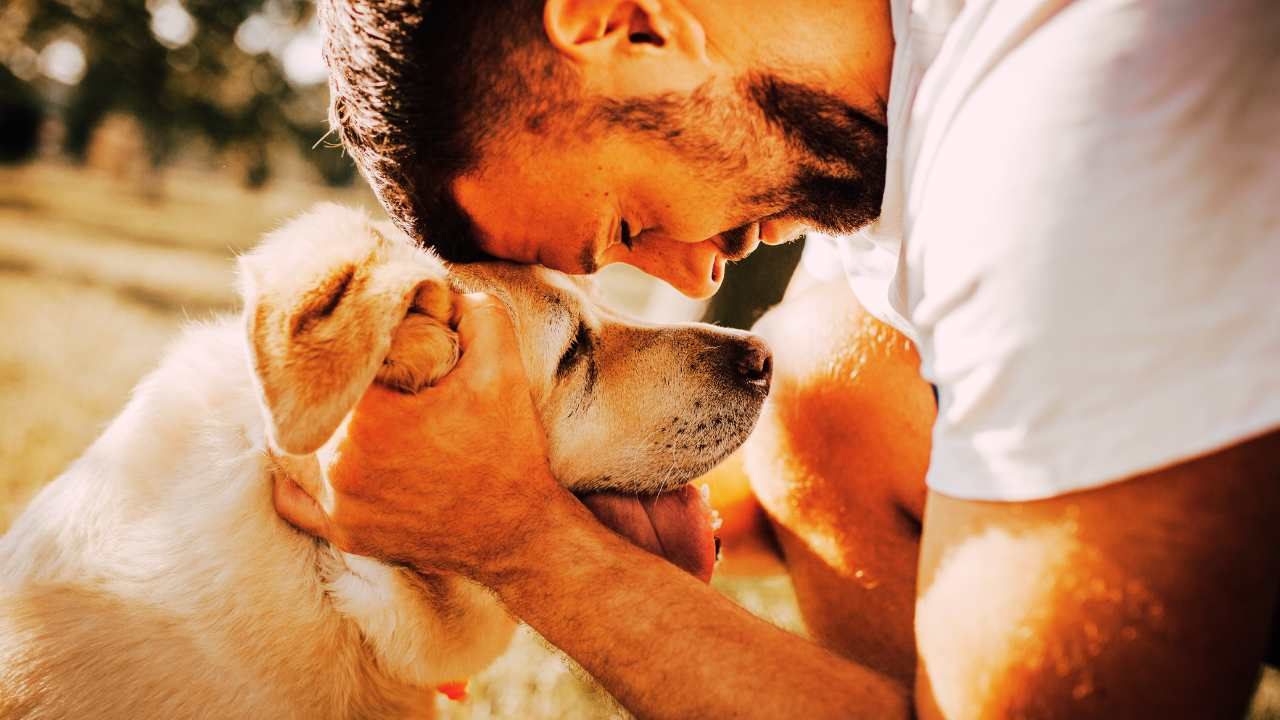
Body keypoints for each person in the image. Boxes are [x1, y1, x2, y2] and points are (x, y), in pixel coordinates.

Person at [275, 1, 1280, 717]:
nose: (684, 277)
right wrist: (454, 485)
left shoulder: (1072, 116)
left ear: (623, 23)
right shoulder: (911, 108)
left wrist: (520, 543)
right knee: (828, 377)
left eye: (625, 219)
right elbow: (816, 480)